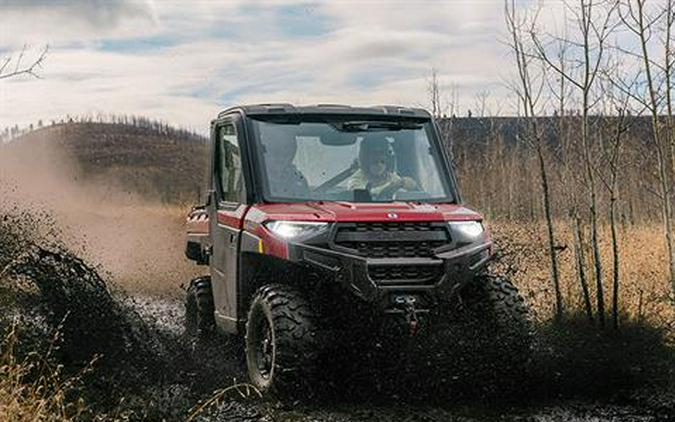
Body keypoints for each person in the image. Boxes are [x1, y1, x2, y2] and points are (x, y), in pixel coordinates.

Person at [348, 134, 417, 198]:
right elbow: (364, 197)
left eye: (382, 154)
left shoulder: (393, 178)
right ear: (365, 158)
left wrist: (410, 185)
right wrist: (394, 187)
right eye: (375, 154)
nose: (379, 162)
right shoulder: (356, 179)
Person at [260, 131, 309, 198]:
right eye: (276, 153)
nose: (281, 158)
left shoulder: (298, 179)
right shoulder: (256, 177)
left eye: (286, 153)